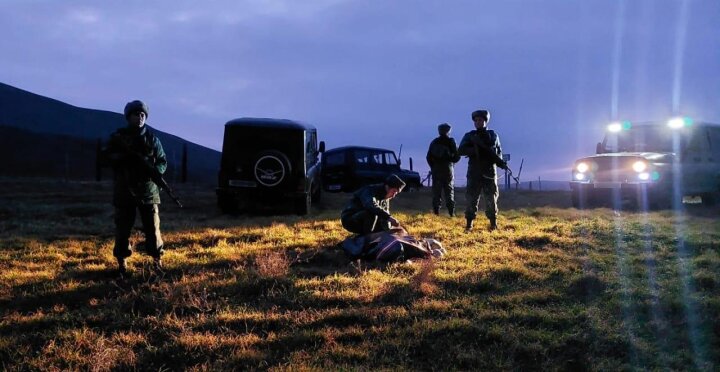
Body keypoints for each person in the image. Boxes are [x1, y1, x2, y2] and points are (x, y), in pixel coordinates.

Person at [103, 100, 167, 278]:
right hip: (125, 189)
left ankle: (157, 261)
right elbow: (107, 157)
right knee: (123, 228)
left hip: (148, 191)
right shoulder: (118, 138)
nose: (139, 118)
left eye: (142, 115)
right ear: (128, 117)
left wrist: (154, 172)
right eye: (135, 114)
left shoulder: (153, 139)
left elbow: (162, 161)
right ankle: (122, 262)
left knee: (153, 229)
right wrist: (123, 159)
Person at [458, 109, 508, 231]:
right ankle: (469, 224)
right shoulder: (469, 136)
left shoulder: (493, 136)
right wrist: (474, 150)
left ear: (485, 121)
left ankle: (493, 224)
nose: (477, 122)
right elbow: (460, 151)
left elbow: (498, 152)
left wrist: (500, 162)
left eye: (480, 120)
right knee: (471, 198)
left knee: (491, 197)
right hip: (474, 171)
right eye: (476, 120)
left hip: (489, 171)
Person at [341, 174, 406, 235]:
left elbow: (384, 217)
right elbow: (371, 206)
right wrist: (389, 218)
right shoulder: (369, 190)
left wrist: (389, 229)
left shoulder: (385, 198)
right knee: (372, 213)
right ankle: (367, 239)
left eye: (396, 193)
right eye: (393, 191)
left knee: (383, 224)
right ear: (387, 187)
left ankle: (372, 237)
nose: (394, 195)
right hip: (350, 220)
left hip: (364, 220)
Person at [426, 122, 461, 216]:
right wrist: (451, 162)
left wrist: (433, 166)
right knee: (449, 190)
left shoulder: (434, 142)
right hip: (448, 169)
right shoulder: (451, 141)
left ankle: (436, 212)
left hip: (436, 169)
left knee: (436, 192)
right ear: (448, 131)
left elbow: (428, 157)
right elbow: (457, 156)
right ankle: (451, 213)